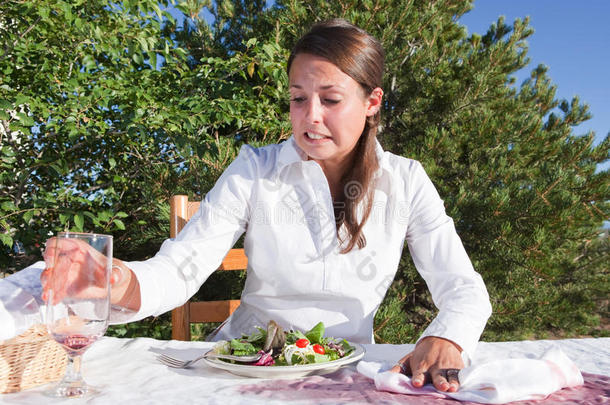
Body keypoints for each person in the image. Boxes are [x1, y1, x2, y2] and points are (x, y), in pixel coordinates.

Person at [41, 19, 491, 393]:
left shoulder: (406, 180)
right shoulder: (254, 169)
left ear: (371, 102)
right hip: (239, 371)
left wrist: (445, 335)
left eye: (331, 100)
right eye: (298, 98)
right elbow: (180, 267)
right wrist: (116, 279)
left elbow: (464, 289)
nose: (310, 116)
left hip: (346, 375)